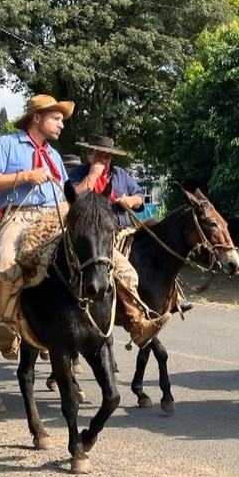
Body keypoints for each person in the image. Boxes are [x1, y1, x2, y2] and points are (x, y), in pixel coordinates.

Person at [0, 94, 73, 359]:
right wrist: (26, 176)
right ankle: (7, 328)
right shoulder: (6, 145)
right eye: (56, 118)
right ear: (37, 117)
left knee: (100, 254)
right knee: (5, 260)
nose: (62, 125)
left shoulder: (54, 156)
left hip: (56, 217)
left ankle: (137, 316)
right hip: (20, 217)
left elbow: (66, 192)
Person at [68, 134, 160, 347]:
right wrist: (92, 176)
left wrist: (129, 200)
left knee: (156, 252)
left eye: (107, 157)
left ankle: (165, 302)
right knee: (122, 271)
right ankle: (134, 322)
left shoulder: (121, 175)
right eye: (99, 155)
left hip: (125, 229)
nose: (104, 160)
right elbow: (71, 197)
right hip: (93, 235)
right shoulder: (78, 174)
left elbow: (139, 196)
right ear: (89, 155)